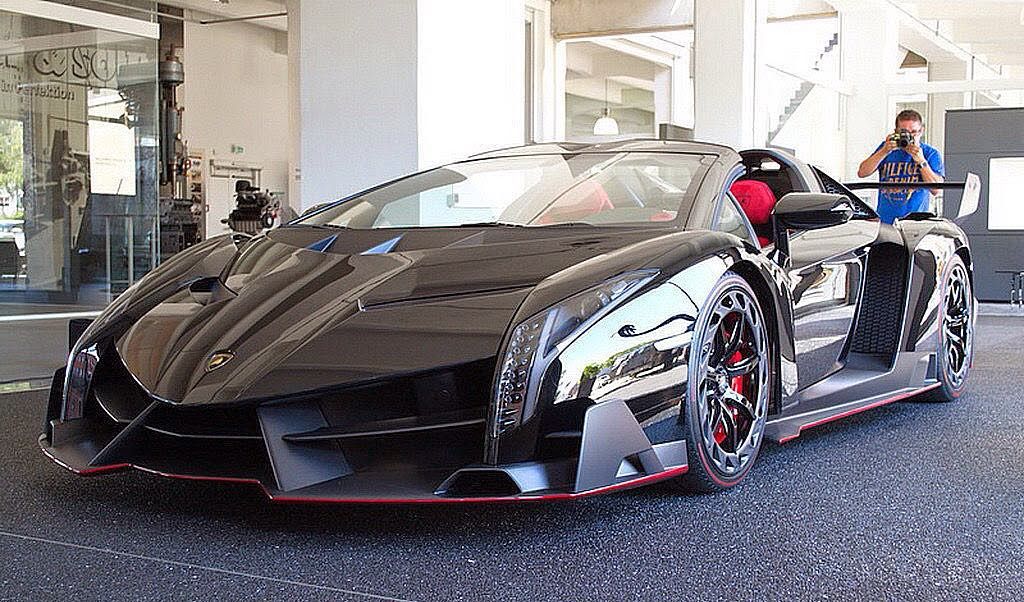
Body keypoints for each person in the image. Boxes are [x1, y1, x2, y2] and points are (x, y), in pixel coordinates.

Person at [857, 109, 944, 224]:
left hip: (916, 223)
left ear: (921, 131)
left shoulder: (930, 153)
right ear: (896, 132)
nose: (909, 137)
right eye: (904, 133)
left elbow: (936, 190)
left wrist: (921, 161)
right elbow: (862, 172)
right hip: (886, 221)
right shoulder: (886, 149)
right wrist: (884, 151)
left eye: (913, 132)